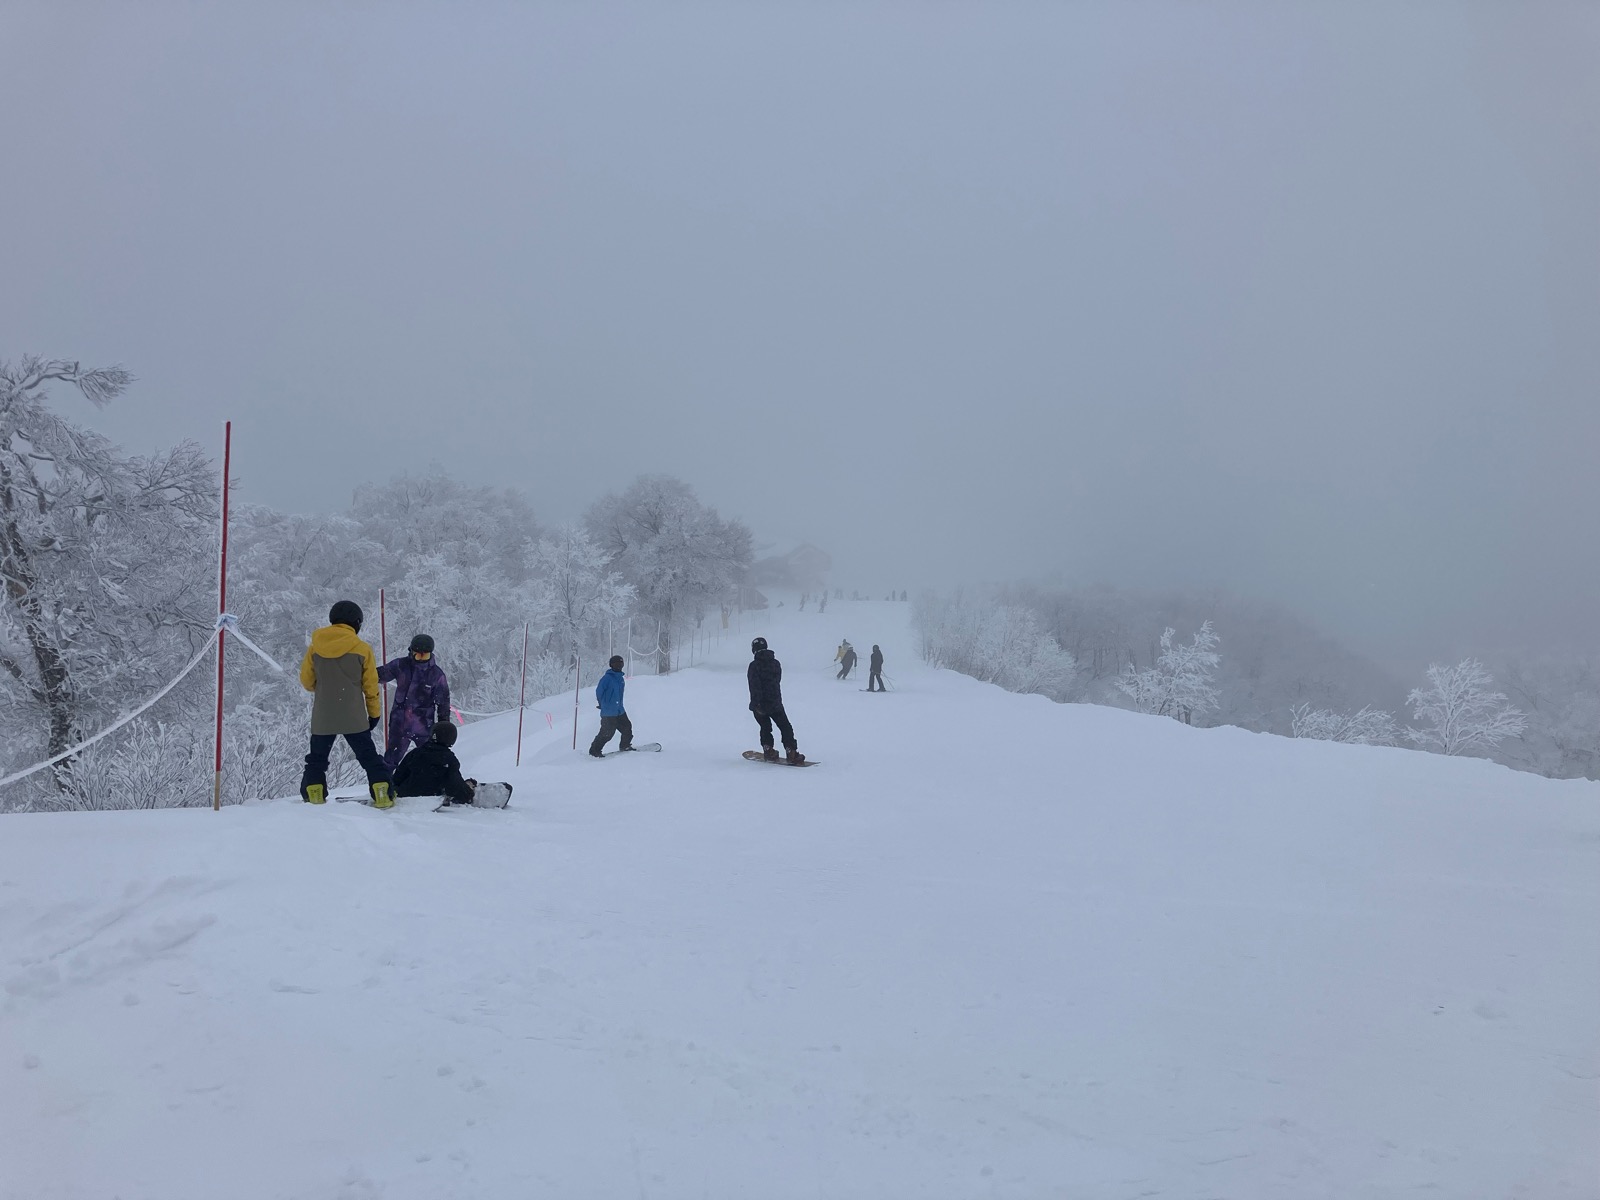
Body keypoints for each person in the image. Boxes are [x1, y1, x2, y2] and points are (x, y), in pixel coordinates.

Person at [298, 600, 392, 807]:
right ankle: (381, 791)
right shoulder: (362, 649)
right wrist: (374, 714)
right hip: (354, 715)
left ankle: (314, 793)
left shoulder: (315, 648)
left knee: (317, 759)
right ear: (357, 622)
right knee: (368, 757)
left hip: (323, 715)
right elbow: (371, 687)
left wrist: (326, 689)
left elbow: (306, 681)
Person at [376, 633, 452, 771]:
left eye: (425, 656)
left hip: (423, 726)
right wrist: (362, 674)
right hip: (399, 724)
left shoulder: (436, 675)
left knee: (430, 761)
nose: (421, 660)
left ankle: (431, 781)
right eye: (418, 656)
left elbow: (443, 703)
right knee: (390, 760)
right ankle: (385, 781)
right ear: (411, 653)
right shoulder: (401, 665)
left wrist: (443, 727)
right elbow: (379, 675)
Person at [749, 636, 804, 764]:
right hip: (775, 703)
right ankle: (791, 752)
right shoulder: (775, 663)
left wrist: (757, 704)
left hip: (759, 704)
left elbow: (754, 685)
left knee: (765, 727)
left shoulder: (754, 666)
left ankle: (768, 750)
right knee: (785, 726)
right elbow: (776, 681)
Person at [393, 720, 475, 805]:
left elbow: (398, 777)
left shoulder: (415, 753)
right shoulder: (449, 759)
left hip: (405, 794)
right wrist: (468, 793)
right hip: (431, 797)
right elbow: (455, 787)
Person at [588, 655, 634, 757]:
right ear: (611, 665)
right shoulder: (606, 678)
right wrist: (602, 704)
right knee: (607, 733)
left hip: (620, 710)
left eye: (620, 663)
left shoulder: (621, 679)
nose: (619, 666)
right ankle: (594, 751)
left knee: (627, 728)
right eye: (616, 663)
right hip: (609, 712)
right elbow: (599, 692)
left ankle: (625, 745)